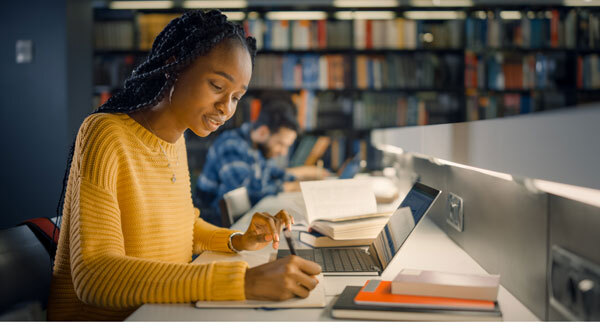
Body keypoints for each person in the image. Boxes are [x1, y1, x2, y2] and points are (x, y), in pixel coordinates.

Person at [47, 10, 321, 321]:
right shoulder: (105, 134)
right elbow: (95, 276)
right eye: (217, 86)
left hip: (161, 312)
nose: (226, 109)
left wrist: (237, 239)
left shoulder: (175, 141)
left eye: (236, 97)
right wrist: (243, 282)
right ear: (172, 65)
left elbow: (183, 226)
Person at [197, 97, 328, 225]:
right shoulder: (231, 146)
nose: (283, 152)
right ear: (263, 132)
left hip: (241, 220)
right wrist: (291, 187)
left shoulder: (256, 146)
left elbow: (269, 173)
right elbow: (247, 193)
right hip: (213, 224)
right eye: (281, 144)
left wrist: (303, 174)